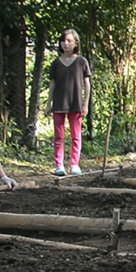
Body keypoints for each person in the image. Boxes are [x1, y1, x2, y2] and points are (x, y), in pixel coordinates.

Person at [45, 28, 92, 176]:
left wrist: (85, 104)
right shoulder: (56, 63)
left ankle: (74, 164)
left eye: (69, 41)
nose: (66, 44)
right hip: (59, 104)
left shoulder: (81, 61)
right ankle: (59, 165)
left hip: (76, 104)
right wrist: (48, 104)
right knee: (59, 136)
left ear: (75, 43)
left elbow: (87, 84)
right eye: (63, 41)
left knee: (76, 136)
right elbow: (52, 84)